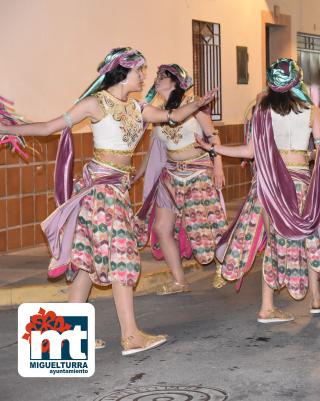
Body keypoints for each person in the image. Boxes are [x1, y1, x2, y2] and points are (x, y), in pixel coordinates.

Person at [0, 47, 215, 355]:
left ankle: (68, 338)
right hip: (101, 191)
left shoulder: (138, 108)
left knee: (88, 261)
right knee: (122, 257)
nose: (144, 76)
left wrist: (198, 103)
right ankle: (131, 336)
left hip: (116, 191)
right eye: (140, 71)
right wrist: (6, 128)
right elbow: (48, 127)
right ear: (124, 73)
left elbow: (172, 116)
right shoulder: (95, 104)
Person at [199, 58, 320, 322]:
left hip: (269, 185)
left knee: (273, 240)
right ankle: (315, 298)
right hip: (300, 182)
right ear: (297, 81)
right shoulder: (311, 110)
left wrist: (214, 149)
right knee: (310, 236)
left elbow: (250, 151)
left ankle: (267, 306)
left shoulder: (262, 112)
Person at [134, 64, 228, 294]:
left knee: (206, 226)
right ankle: (180, 281)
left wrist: (218, 166)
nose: (156, 79)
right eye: (157, 75)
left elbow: (213, 135)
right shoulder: (157, 112)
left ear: (175, 82)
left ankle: (223, 266)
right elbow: (154, 149)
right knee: (161, 227)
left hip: (198, 172)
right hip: (171, 176)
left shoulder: (192, 104)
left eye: (162, 76)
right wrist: (137, 174)